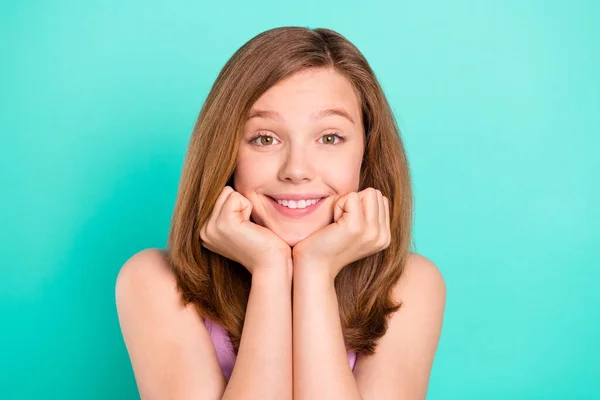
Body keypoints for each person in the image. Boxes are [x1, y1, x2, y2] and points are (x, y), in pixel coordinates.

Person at [115, 26, 446, 399]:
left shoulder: (411, 286)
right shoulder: (154, 282)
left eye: (329, 138)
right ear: (226, 152)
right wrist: (270, 271)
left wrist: (315, 271)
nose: (297, 169)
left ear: (366, 154)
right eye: (265, 138)